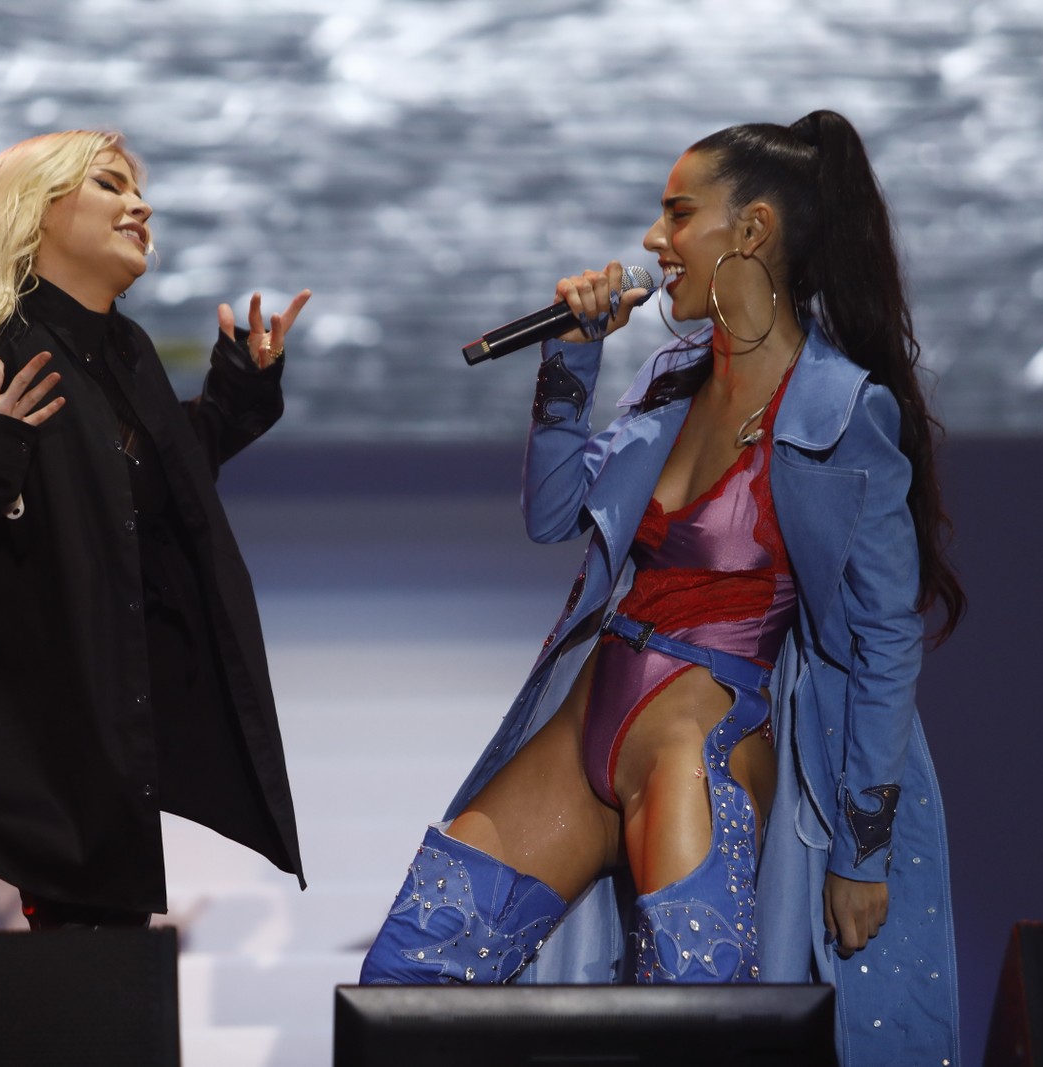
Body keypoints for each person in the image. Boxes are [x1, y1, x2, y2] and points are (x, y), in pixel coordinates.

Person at [359, 111, 965, 1065]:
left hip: (701, 741)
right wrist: (573, 355)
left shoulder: (845, 412)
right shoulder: (671, 378)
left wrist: (865, 851)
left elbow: (885, 645)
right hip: (586, 723)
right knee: (405, 988)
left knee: (689, 1031)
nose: (653, 241)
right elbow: (555, 513)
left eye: (677, 214)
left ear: (753, 230)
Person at [0, 130, 311, 933]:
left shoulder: (127, 361)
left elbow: (139, 488)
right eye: (110, 186)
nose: (141, 204)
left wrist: (238, 399)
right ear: (37, 211)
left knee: (101, 1025)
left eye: (138, 190)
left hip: (87, 761)